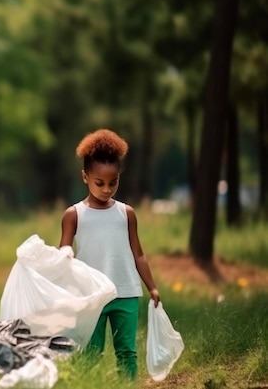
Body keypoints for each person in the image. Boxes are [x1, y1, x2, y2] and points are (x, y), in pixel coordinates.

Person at [58, 128, 160, 380]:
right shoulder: (74, 215)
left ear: (119, 178)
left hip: (125, 292)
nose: (106, 189)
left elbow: (139, 254)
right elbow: (64, 254)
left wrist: (152, 287)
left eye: (113, 183)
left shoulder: (126, 213)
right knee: (91, 352)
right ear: (85, 177)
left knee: (127, 352)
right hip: (91, 295)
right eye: (99, 183)